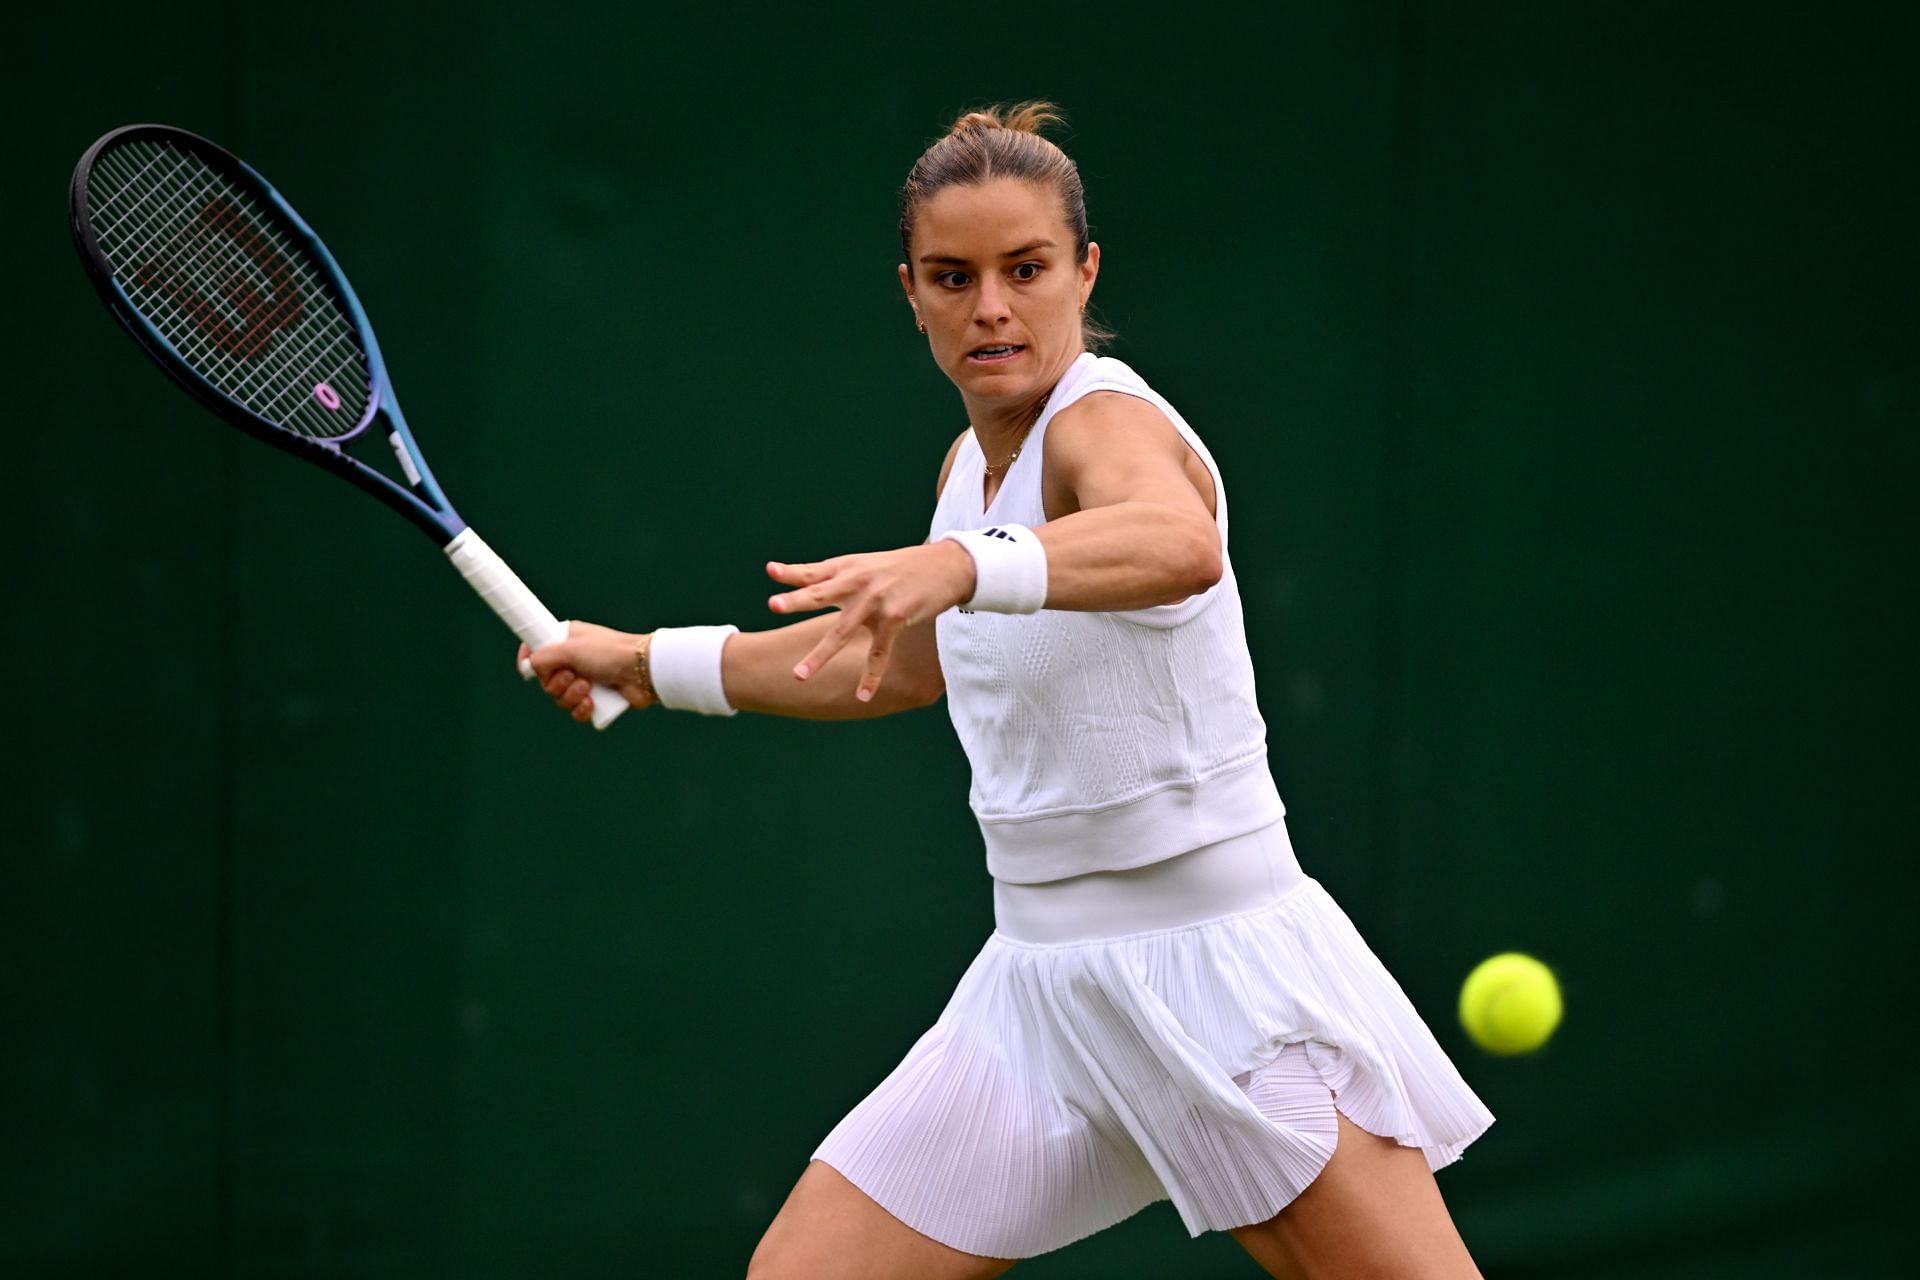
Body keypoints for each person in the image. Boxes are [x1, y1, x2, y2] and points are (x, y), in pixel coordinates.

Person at [522, 103, 1495, 1280]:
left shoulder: (1108, 420)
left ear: (1084, 271)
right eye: (953, 275)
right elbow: (906, 662)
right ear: (912, 291)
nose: (991, 306)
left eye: (1025, 269)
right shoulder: (965, 471)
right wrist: (645, 662)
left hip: (1218, 978)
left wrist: (963, 564)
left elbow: (1179, 542)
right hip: (1033, 998)